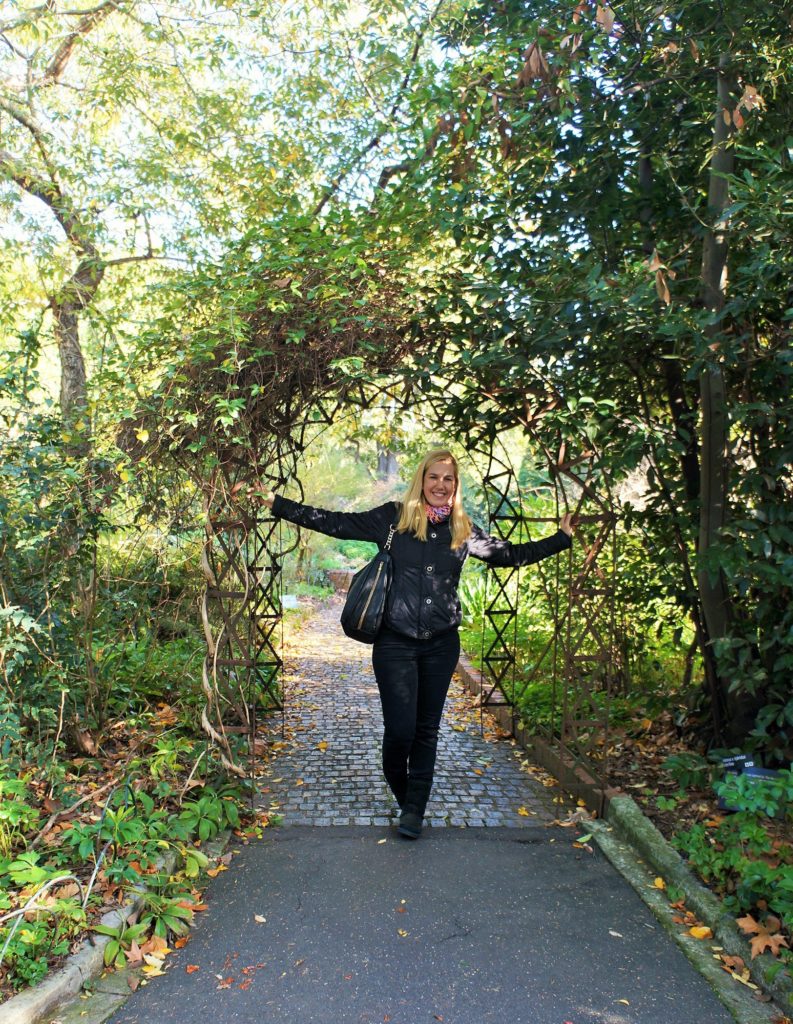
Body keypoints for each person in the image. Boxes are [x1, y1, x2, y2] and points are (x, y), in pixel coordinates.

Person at [265, 448, 574, 839]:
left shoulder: (463, 529)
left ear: (456, 486)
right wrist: (278, 504)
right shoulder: (392, 518)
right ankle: (406, 794)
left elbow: (510, 554)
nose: (440, 485)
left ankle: (414, 809)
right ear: (421, 480)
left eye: (449, 479)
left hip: (441, 645)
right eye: (434, 477)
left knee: (427, 730)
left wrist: (561, 538)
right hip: (395, 643)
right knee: (400, 732)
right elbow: (334, 523)